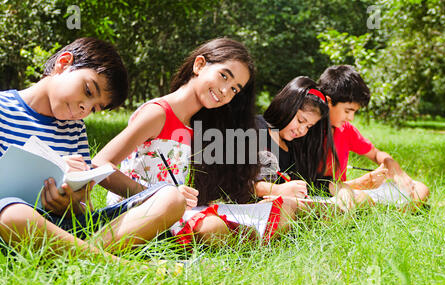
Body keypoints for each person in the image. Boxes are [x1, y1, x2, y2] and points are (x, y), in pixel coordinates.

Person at [93, 38, 297, 246]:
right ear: (199, 65)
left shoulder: (197, 124)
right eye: (224, 76)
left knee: (282, 210)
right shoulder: (158, 113)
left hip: (177, 209)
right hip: (139, 211)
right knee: (214, 228)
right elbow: (99, 164)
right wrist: (155, 194)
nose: (226, 91)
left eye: (235, 89)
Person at [0, 38, 186, 263]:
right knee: (13, 214)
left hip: (63, 229)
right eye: (88, 91)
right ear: (64, 63)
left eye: (94, 108)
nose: (84, 109)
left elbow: (85, 208)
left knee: (171, 198)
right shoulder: (3, 108)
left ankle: (83, 256)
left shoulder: (75, 130)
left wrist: (71, 206)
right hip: (13, 222)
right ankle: (113, 264)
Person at [317, 65, 429, 204]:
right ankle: (381, 210)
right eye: (347, 111)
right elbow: (312, 186)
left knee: (419, 189)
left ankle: (385, 211)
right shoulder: (306, 130)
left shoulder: (345, 130)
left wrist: (395, 169)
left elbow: (376, 154)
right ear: (328, 101)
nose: (351, 117)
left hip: (348, 193)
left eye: (354, 112)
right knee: (360, 200)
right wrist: (360, 183)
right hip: (331, 195)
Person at [253, 76, 338, 201]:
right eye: (300, 120)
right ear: (287, 106)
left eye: (309, 126)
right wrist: (277, 190)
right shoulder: (255, 128)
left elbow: (310, 183)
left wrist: (340, 188)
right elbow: (234, 182)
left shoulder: (295, 148)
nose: (302, 130)